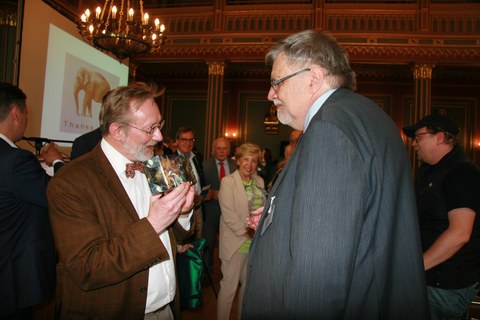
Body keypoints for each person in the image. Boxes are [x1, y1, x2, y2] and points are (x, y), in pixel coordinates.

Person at [242, 30, 429, 319]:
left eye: (276, 82)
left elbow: (317, 277)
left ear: (313, 78)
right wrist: (276, 218)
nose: (270, 94)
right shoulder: (367, 115)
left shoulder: (328, 129)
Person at [46, 82, 195, 320]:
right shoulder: (70, 182)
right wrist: (154, 223)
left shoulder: (153, 165)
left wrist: (184, 213)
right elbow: (88, 267)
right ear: (117, 131)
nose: (158, 137)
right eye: (150, 128)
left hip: (166, 309)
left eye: (160, 125)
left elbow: (175, 237)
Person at [403, 113, 480, 320]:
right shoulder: (428, 171)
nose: (414, 144)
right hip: (428, 279)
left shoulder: (462, 172)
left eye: (419, 137)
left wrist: (414, 268)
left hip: (445, 284)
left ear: (440, 137)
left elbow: (460, 233)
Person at [0, 82, 63, 320]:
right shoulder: (16, 160)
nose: (26, 118)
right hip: (11, 277)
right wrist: (57, 162)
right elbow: (58, 197)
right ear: (16, 113)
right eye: (26, 113)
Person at [217, 143, 266, 320]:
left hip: (254, 244)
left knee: (247, 289)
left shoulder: (259, 181)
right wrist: (248, 233)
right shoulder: (228, 182)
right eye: (246, 159)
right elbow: (229, 215)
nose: (249, 164)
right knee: (229, 288)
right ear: (238, 161)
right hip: (235, 243)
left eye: (254, 161)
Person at [202, 137, 237, 280]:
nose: (222, 151)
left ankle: (230, 273)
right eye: (218, 148)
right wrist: (210, 194)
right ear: (213, 150)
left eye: (224, 148)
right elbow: (201, 188)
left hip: (231, 210)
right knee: (208, 243)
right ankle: (207, 276)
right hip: (211, 210)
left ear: (229, 150)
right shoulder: (204, 165)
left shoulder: (236, 165)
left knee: (230, 243)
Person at [175, 126, 205, 238]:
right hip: (181, 211)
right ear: (177, 141)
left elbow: (199, 180)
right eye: (184, 139)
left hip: (198, 208)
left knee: (197, 242)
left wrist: (201, 195)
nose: (188, 143)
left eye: (191, 140)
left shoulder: (196, 158)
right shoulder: (170, 160)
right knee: (183, 242)